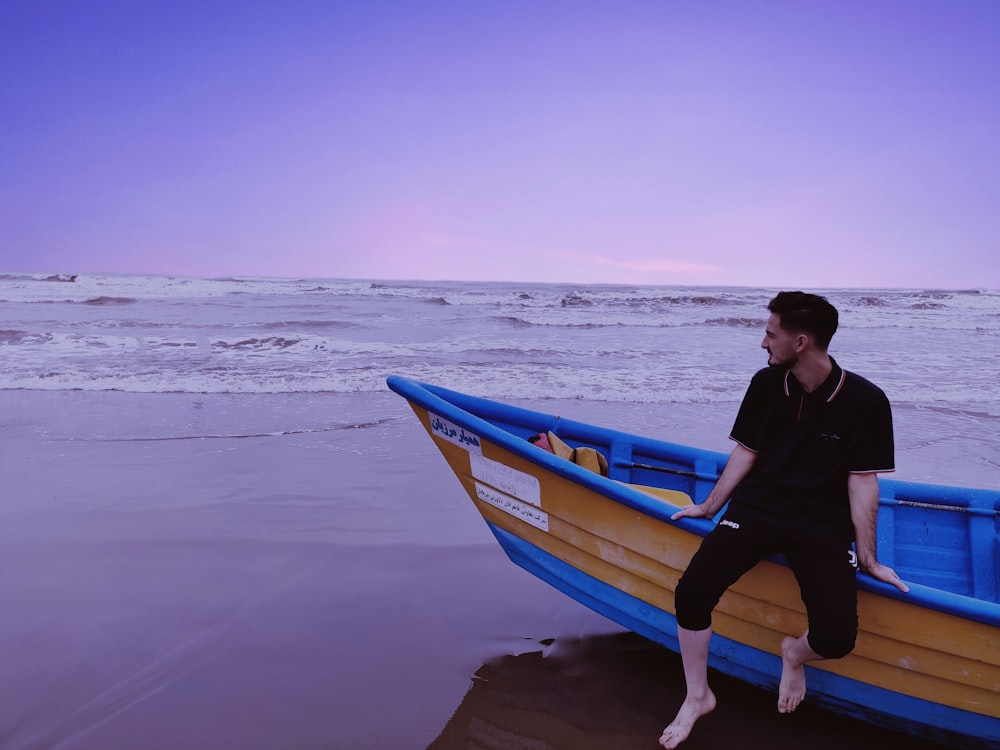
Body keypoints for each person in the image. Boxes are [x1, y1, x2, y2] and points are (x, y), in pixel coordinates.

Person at [659, 291, 910, 750]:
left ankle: (792, 654)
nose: (762, 343)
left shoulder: (867, 401)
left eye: (770, 334)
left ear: (799, 342)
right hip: (758, 510)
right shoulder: (765, 383)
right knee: (692, 591)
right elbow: (746, 451)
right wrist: (710, 506)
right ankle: (698, 696)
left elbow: (862, 482)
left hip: (821, 525)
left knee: (835, 638)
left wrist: (869, 559)